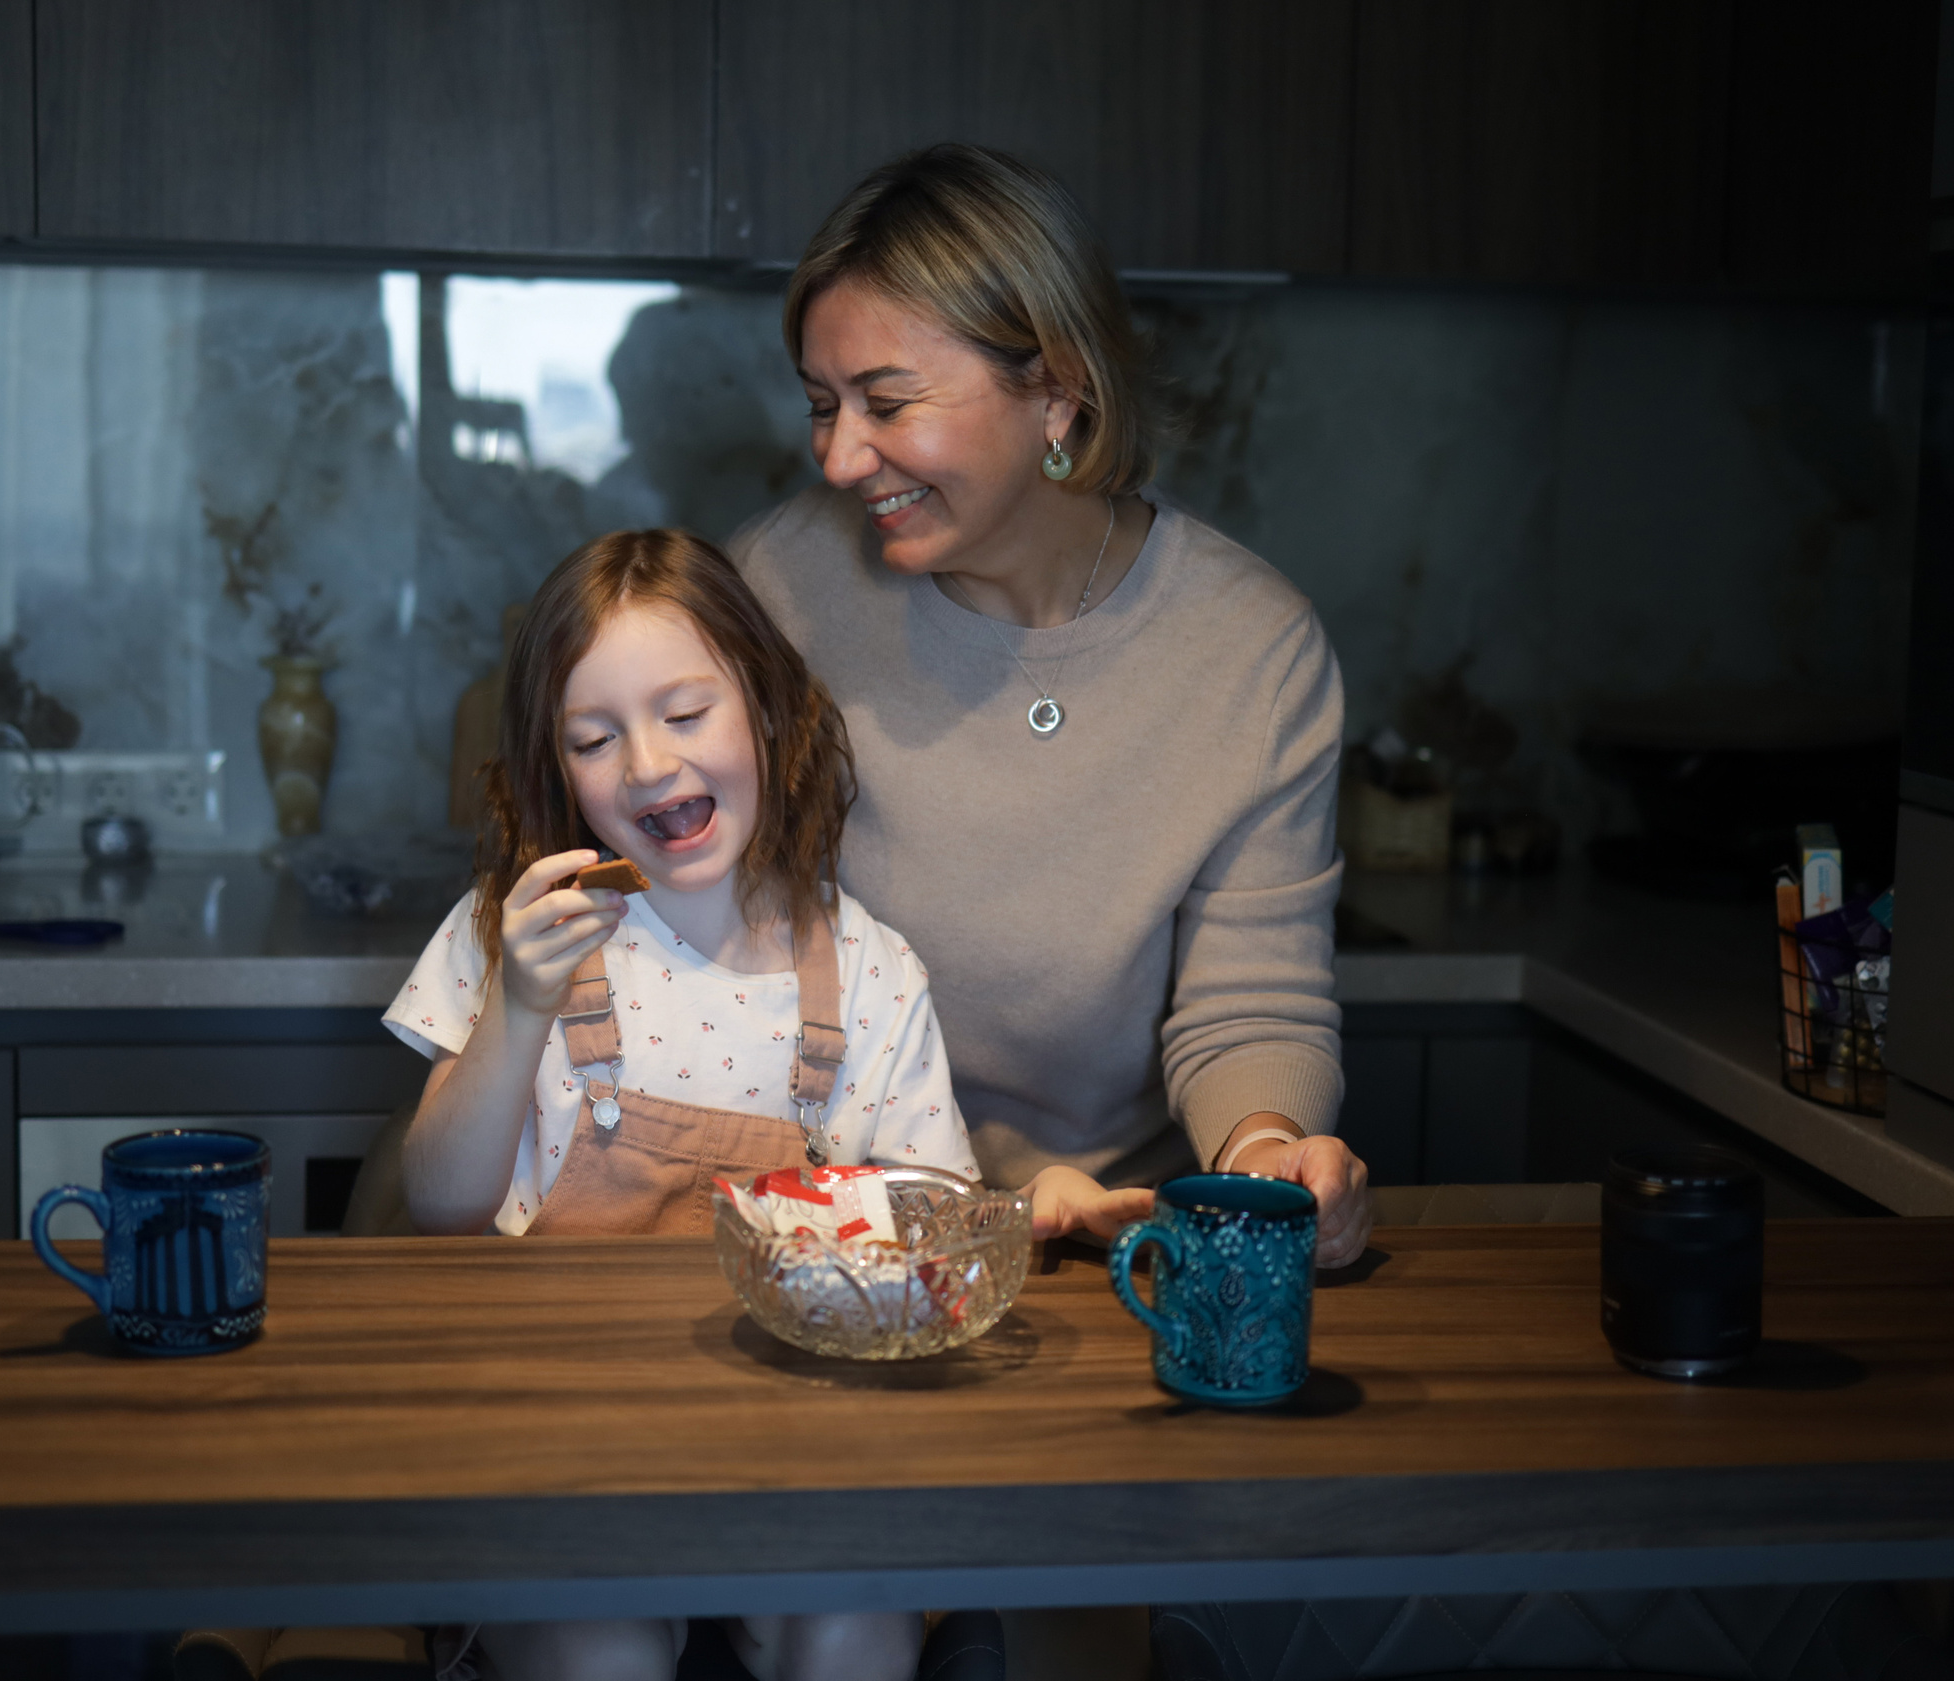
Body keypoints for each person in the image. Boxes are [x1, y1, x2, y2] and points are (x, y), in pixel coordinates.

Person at [383, 528, 1149, 1681]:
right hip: (554, 1457)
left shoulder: (870, 970)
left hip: (806, 1464)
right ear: (555, 767)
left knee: (856, 1635)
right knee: (603, 1653)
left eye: (685, 713)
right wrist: (519, 1004)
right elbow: (439, 1205)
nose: (648, 764)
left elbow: (928, 1241)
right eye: (594, 738)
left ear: (769, 710)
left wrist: (1026, 1208)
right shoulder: (510, 934)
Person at [732, 144, 1373, 1265]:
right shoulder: (777, 592)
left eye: (888, 401)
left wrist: (1268, 1152)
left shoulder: (1252, 654)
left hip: (1107, 1240)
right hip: (841, 1237)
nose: (839, 459)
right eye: (823, 406)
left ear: (1058, 390)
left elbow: (1252, 1003)